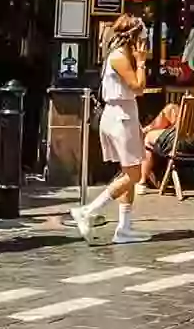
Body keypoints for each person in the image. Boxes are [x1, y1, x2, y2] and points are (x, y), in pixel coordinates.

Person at [71, 14, 153, 244]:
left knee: (128, 172)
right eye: (142, 38)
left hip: (125, 113)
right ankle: (89, 211)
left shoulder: (120, 55)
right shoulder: (119, 57)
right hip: (120, 116)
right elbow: (138, 88)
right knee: (134, 174)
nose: (144, 43)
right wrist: (142, 62)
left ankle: (125, 228)